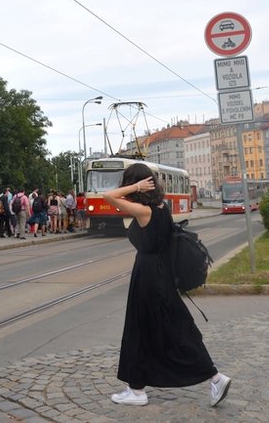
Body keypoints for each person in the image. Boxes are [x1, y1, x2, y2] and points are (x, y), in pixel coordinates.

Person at [101, 164, 231, 408]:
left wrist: (135, 187)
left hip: (148, 275)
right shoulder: (162, 208)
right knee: (176, 327)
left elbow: (109, 196)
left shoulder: (142, 211)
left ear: (139, 184)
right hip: (163, 274)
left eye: (130, 182)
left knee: (140, 329)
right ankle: (141, 386)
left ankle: (139, 391)